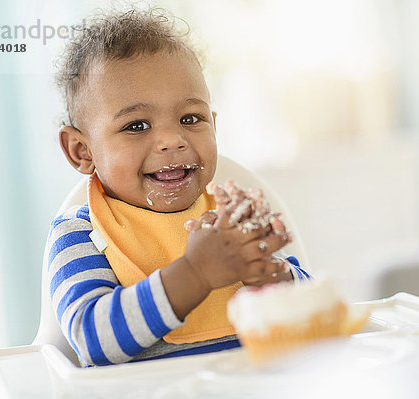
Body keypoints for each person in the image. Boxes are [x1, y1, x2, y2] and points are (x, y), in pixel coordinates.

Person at [48, 9, 310, 367]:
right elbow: (92, 340)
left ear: (213, 124)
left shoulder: (226, 217)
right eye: (137, 125)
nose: (172, 140)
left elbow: (309, 309)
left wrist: (270, 276)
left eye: (190, 119)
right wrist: (195, 273)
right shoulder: (80, 234)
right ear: (83, 150)